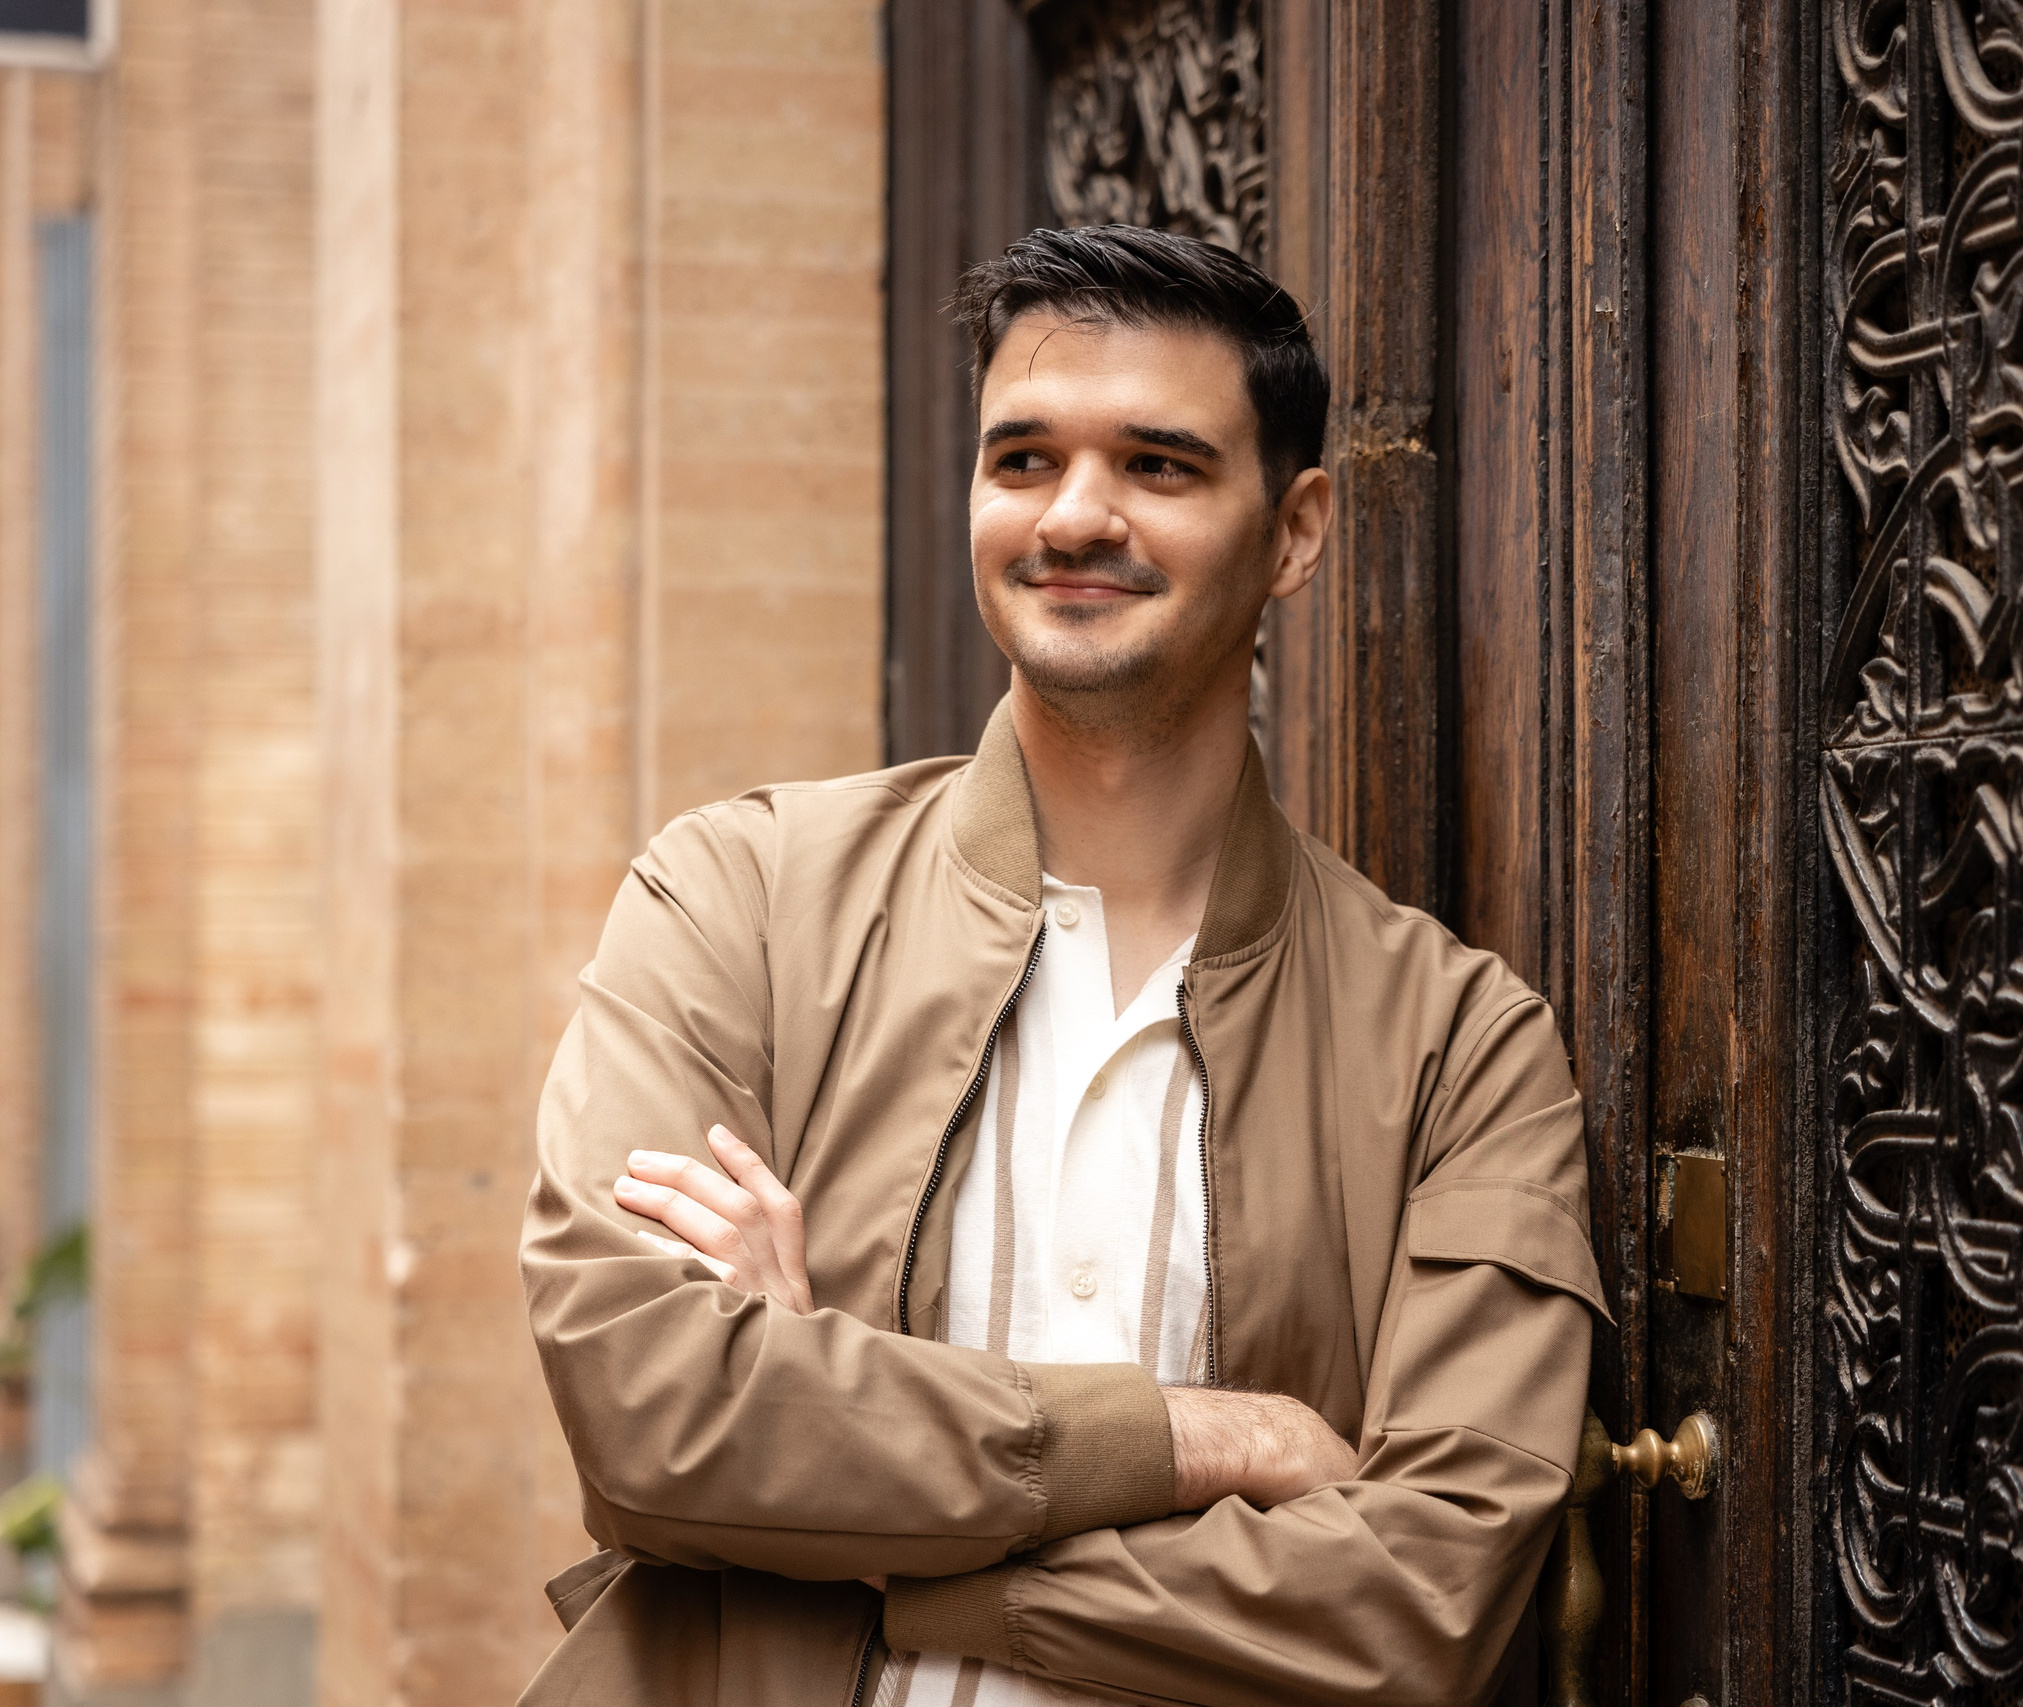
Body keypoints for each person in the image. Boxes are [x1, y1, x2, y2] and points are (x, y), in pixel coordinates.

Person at [516, 224, 1601, 1707]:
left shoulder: (1459, 1046)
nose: (1075, 516)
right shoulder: (738, 900)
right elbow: (654, 1420)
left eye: (1159, 466)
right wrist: (1214, 1439)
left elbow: (1419, 1600)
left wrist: (848, 1497)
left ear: (1294, 532)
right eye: (1022, 460)